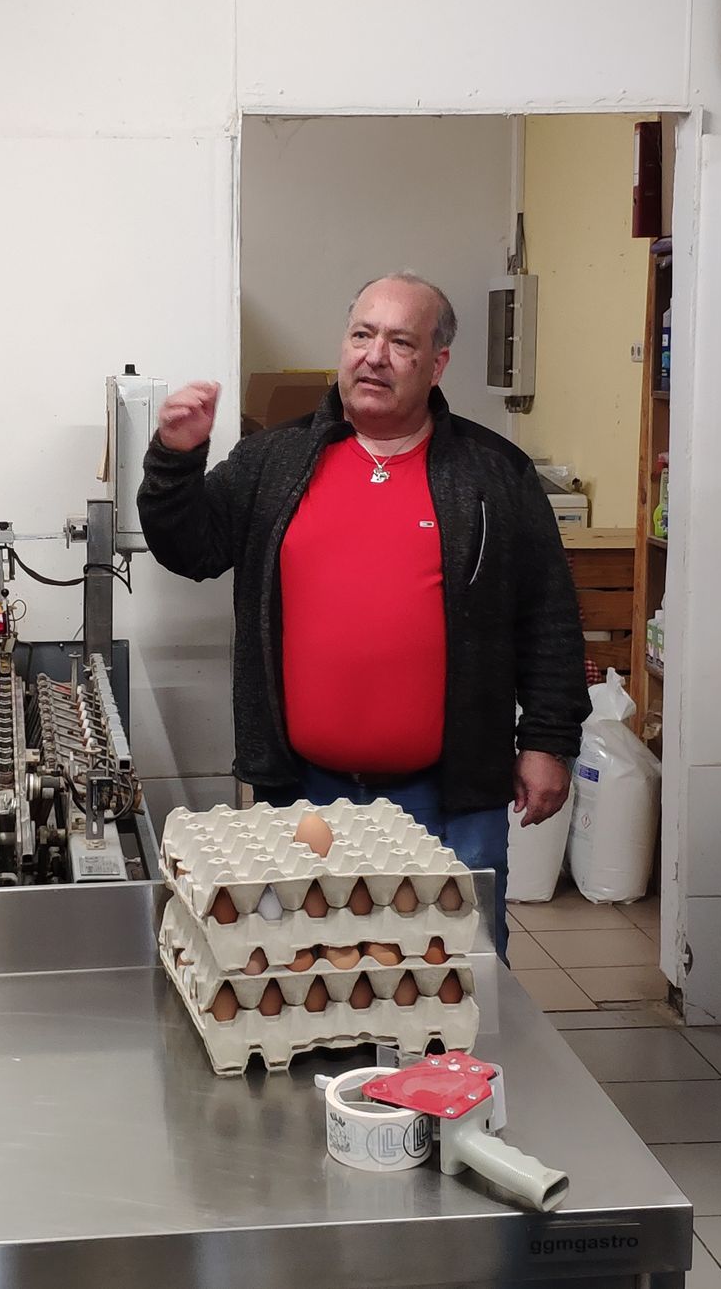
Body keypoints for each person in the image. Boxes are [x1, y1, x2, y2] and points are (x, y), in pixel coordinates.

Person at [137, 272, 588, 959]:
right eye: (361, 335)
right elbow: (189, 549)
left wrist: (549, 741)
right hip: (301, 793)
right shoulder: (274, 460)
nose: (374, 356)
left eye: (400, 342)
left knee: (454, 976)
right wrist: (176, 458)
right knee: (310, 971)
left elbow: (548, 614)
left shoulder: (492, 472)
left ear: (436, 363)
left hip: (450, 795)